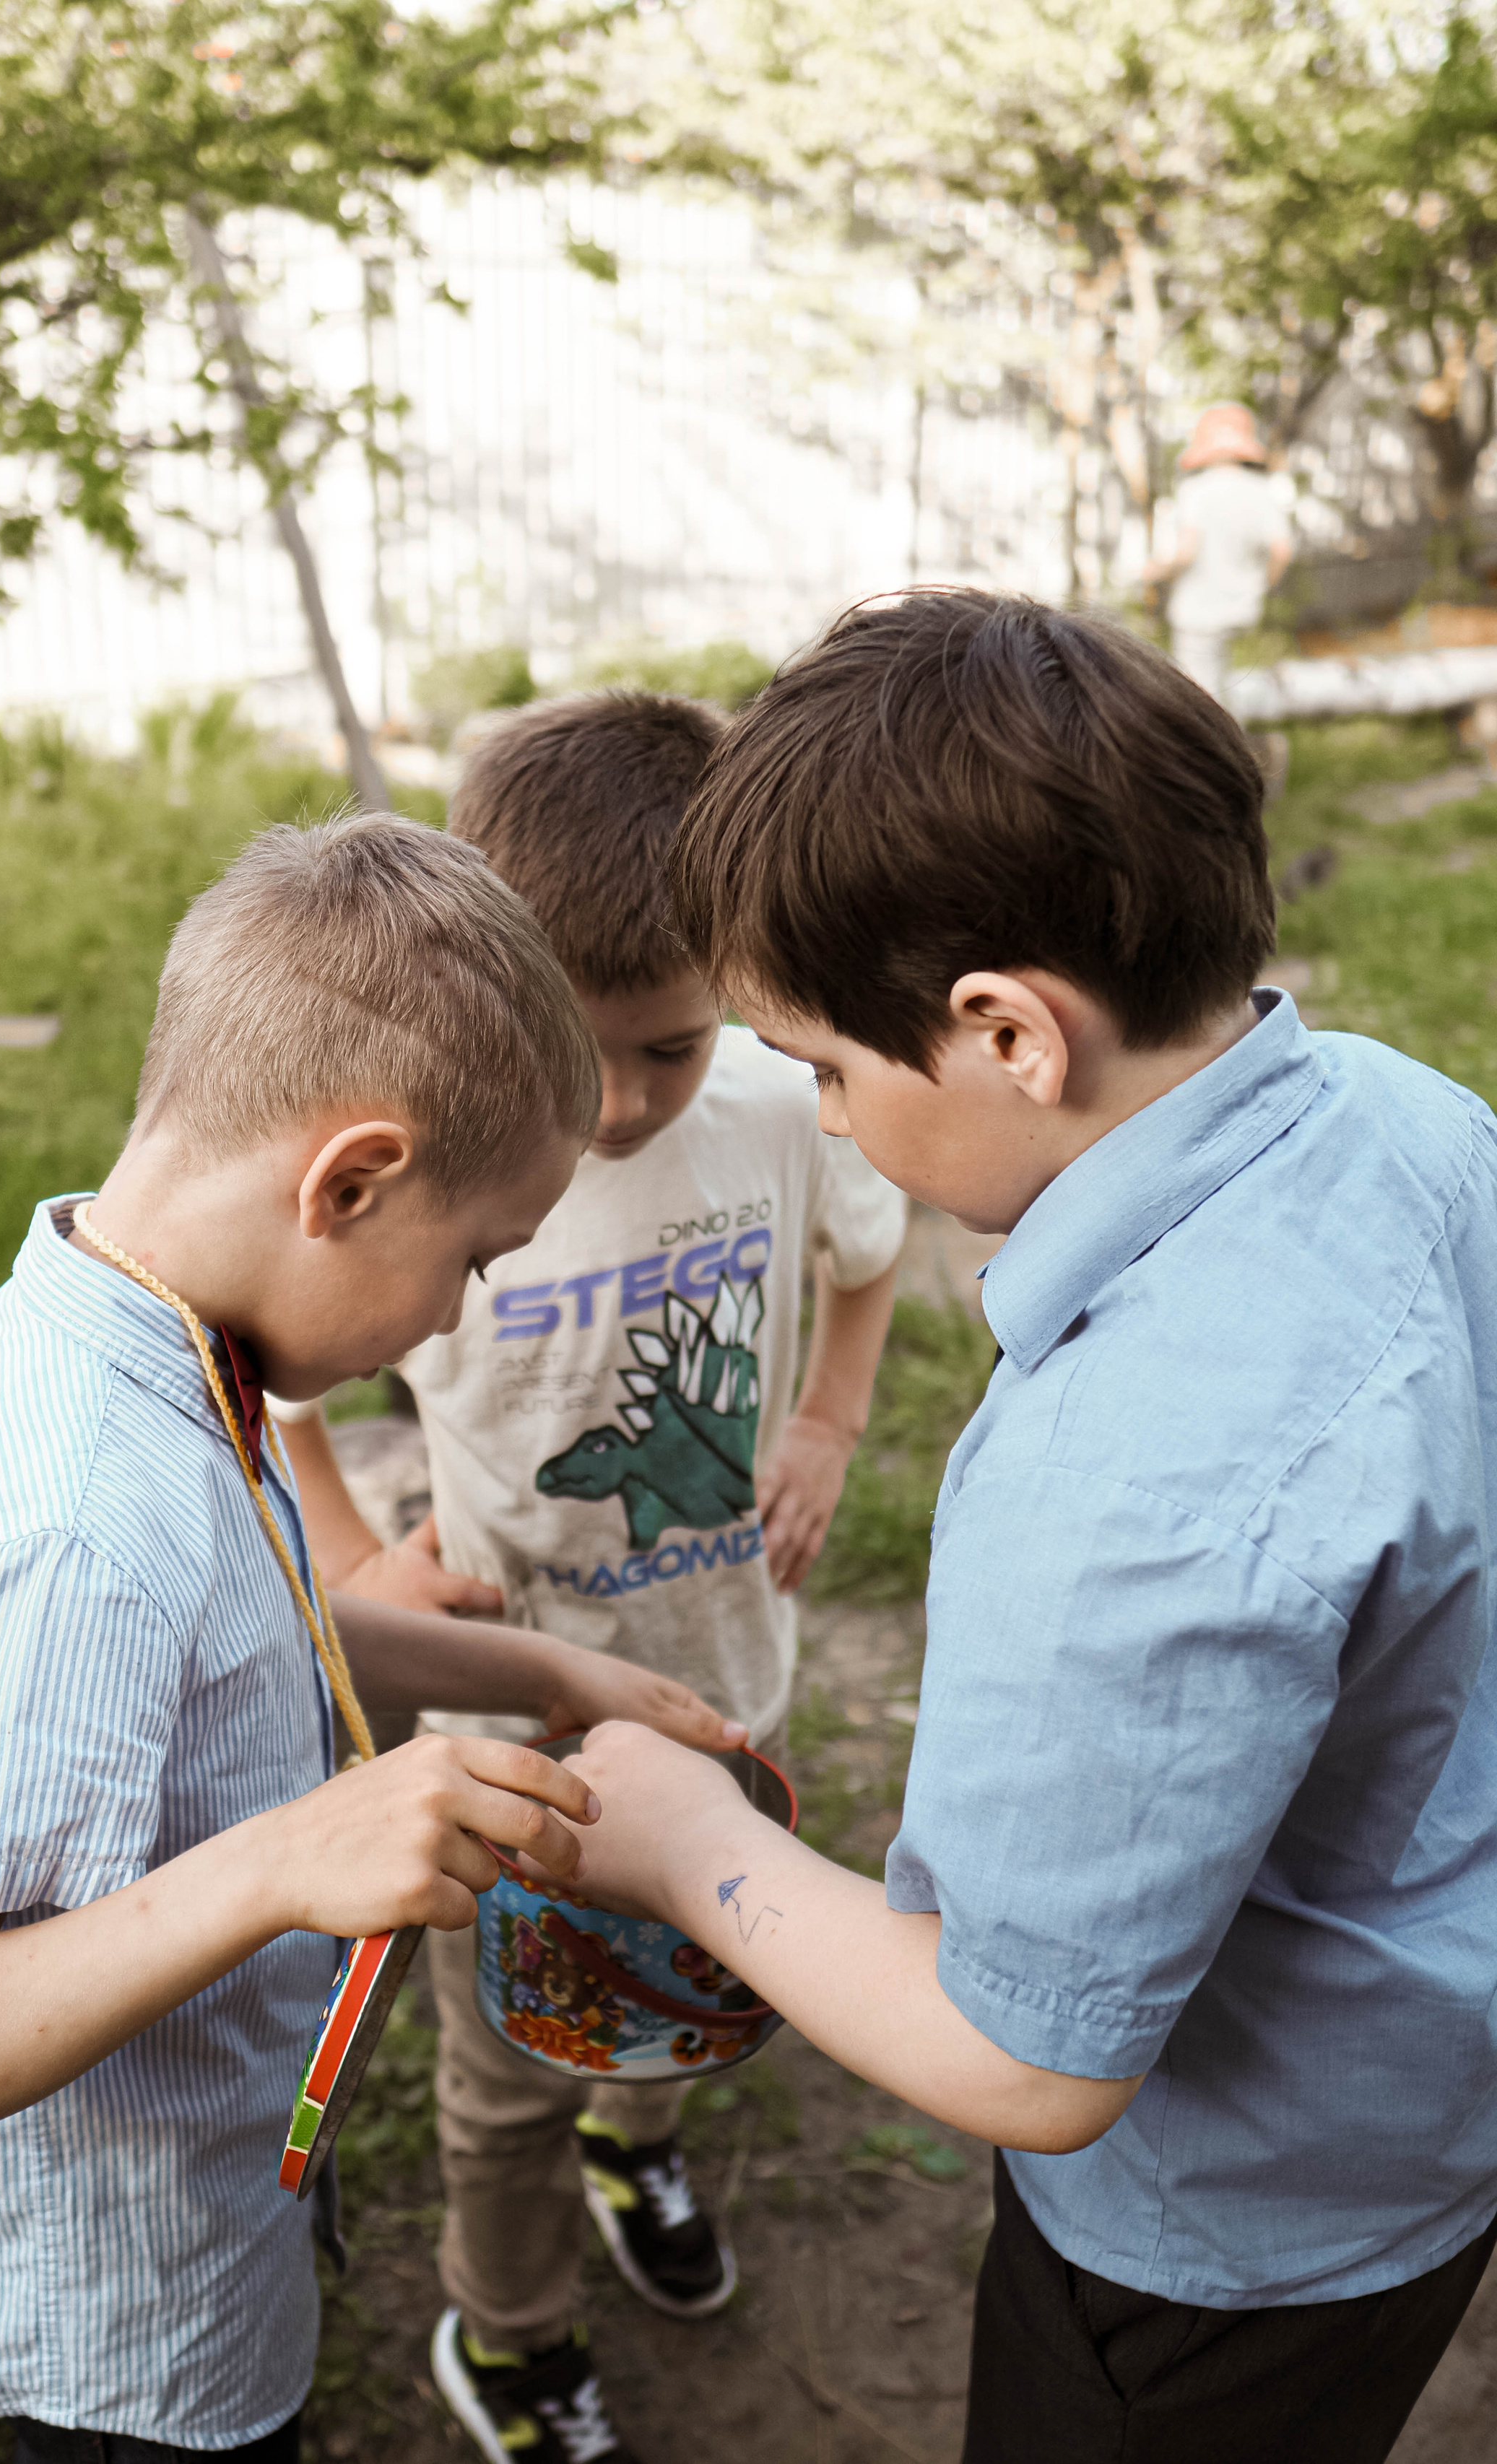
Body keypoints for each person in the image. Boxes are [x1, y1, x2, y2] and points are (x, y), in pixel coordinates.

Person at [561, 591, 1497, 2464]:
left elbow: (1027, 2056)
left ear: (1005, 1031)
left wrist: (679, 1851)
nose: (824, 1125)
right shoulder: (1409, 1121)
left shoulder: (1140, 1474)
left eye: (828, 1067)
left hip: (1222, 2242)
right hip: (1425, 2115)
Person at [0, 816, 745, 2464]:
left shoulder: (169, 1335)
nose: (450, 1317)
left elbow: (244, 1649)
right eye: (467, 1261)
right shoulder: (70, 1521)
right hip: (107, 2328)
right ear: (351, 1179)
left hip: (206, 2197)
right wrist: (282, 1861)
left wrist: (537, 1676)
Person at [275, 694, 906, 2464]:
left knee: (679, 1950)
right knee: (499, 2067)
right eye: (589, 1047)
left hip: (716, 1663)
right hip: (503, 1709)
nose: (625, 1101)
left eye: (672, 1047)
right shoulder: (443, 1145)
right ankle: (514, 2327)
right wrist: (349, 1562)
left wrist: (833, 1423)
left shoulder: (786, 1105)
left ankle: (640, 2137)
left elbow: (866, 1258)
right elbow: (290, 1388)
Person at [1147, 401, 1292, 710]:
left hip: (1199, 612)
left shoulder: (1196, 491)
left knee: (1201, 700)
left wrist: (1155, 571)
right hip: (1242, 607)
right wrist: (1261, 584)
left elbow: (1186, 553)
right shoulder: (1262, 491)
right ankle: (1247, 748)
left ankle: (1216, 756)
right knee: (1225, 688)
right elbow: (1282, 550)